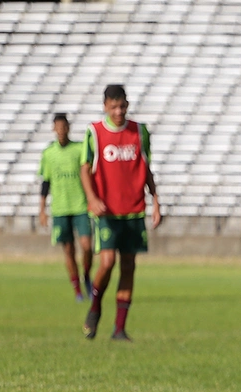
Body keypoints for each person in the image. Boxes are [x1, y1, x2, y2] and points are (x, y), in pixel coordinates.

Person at [80, 84, 161, 341]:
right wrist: (92, 198)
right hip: (107, 212)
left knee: (129, 266)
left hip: (134, 210)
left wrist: (156, 199)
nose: (119, 111)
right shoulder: (95, 132)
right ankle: (95, 306)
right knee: (107, 262)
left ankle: (119, 329)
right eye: (113, 106)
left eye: (122, 106)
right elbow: (85, 169)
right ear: (105, 106)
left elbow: (146, 167)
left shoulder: (139, 131)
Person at [38, 113, 93, 301]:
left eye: (64, 127)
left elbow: (89, 174)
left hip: (80, 206)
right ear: (54, 129)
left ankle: (87, 275)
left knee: (87, 246)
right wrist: (42, 209)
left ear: (68, 128)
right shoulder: (48, 153)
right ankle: (77, 290)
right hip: (60, 209)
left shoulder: (79, 149)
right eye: (58, 127)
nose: (61, 131)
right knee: (68, 250)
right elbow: (45, 183)